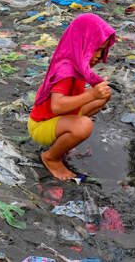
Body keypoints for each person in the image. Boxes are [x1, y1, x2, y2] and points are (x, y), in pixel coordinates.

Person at [28, 14, 115, 180]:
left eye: (102, 50)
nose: (98, 56)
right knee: (83, 126)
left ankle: (65, 137)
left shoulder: (77, 63)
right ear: (83, 43)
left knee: (102, 98)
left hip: (57, 118)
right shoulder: (65, 69)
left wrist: (96, 93)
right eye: (96, 49)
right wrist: (91, 93)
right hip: (41, 125)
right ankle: (51, 157)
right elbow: (57, 106)